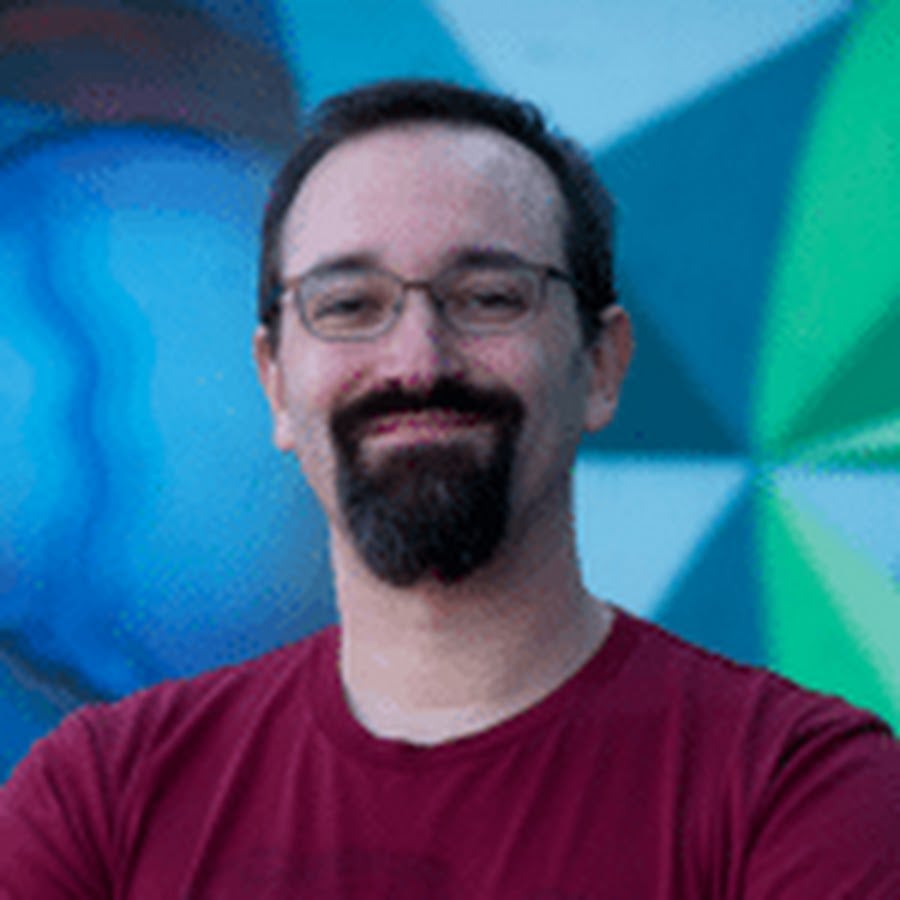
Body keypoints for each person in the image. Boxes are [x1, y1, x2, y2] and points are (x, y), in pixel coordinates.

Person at [1, 79, 898, 899]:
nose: (417, 359)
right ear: (275, 385)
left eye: (489, 297)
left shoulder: (795, 786)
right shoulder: (101, 798)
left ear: (601, 366)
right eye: (348, 305)